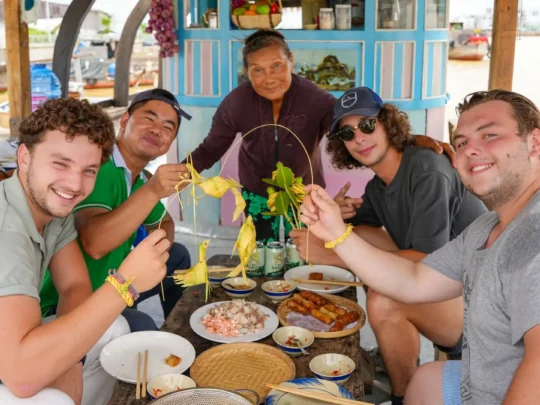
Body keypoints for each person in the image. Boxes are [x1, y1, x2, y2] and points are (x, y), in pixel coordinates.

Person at [299, 89, 540, 405]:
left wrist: (331, 253)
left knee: (384, 299)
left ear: (535, 143)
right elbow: (413, 276)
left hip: (466, 318)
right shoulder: (486, 227)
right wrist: (334, 228)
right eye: (463, 142)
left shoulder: (530, 239)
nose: (469, 151)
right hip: (477, 355)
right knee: (424, 378)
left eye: (490, 135)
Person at [185, 28, 451, 243]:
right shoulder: (236, 103)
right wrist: (182, 171)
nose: (269, 78)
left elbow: (353, 129)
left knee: (305, 248)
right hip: (256, 190)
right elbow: (211, 148)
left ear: (291, 60)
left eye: (277, 65)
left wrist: (411, 139)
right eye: (258, 70)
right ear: (247, 72)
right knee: (261, 251)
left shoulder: (315, 99)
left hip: (306, 191)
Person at [0, 98, 169, 405]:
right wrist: (126, 282)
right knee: (54, 399)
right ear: (24, 156)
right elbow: (21, 376)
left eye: (89, 170)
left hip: (15, 345)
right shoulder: (6, 229)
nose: (74, 184)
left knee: (115, 327)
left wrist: (70, 360)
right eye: (60, 163)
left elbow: (74, 285)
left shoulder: (55, 211)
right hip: (12, 363)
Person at [39, 89, 192, 332]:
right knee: (142, 327)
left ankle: (179, 330)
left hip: (117, 280)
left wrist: (147, 256)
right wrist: (153, 190)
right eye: (148, 119)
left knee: (178, 255)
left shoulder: (139, 178)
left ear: (170, 142)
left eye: (167, 127)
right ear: (124, 121)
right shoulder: (99, 166)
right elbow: (94, 243)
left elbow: (165, 224)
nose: (156, 130)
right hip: (66, 303)